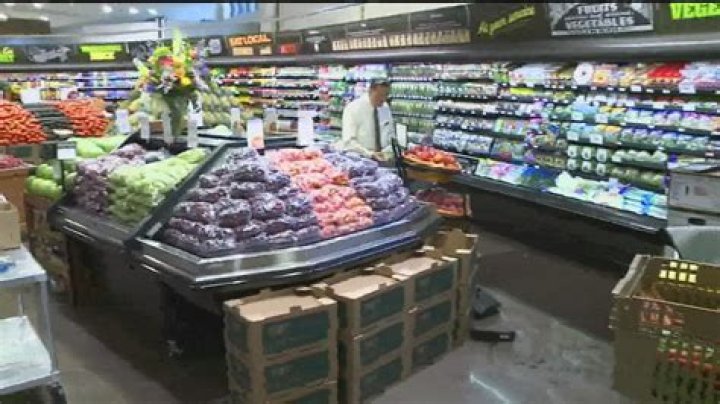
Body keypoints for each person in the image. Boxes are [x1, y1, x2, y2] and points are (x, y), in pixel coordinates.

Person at [339, 78, 395, 162]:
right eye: (380, 95)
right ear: (370, 91)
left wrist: (388, 151)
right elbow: (348, 142)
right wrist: (370, 154)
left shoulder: (385, 108)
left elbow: (390, 134)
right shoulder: (353, 108)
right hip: (360, 159)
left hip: (383, 158)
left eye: (386, 95)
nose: (383, 99)